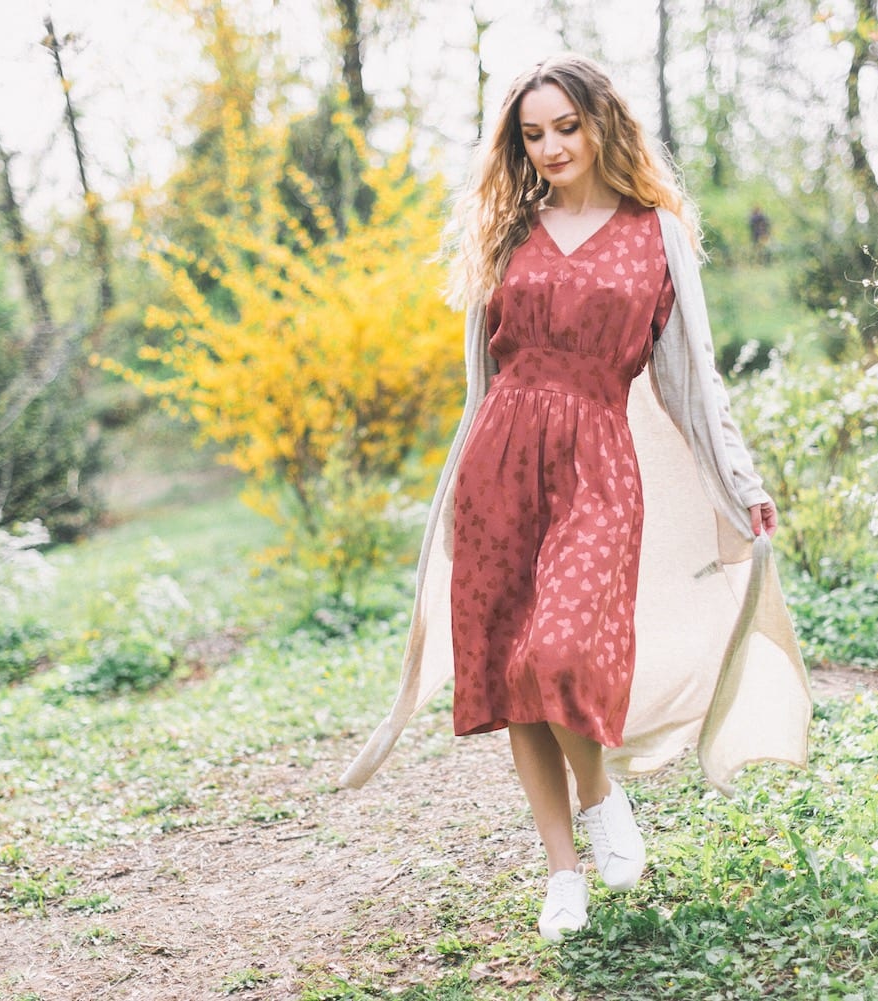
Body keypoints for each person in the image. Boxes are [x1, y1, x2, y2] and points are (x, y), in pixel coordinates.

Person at [340, 54, 810, 941]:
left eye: (567, 126)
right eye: (533, 134)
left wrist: (739, 481)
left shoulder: (657, 234)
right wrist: (453, 496)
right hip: (500, 463)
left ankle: (599, 799)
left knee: (554, 651)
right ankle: (563, 872)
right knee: (513, 675)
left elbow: (692, 379)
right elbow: (482, 379)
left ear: (601, 124)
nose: (552, 147)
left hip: (597, 460)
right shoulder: (507, 233)